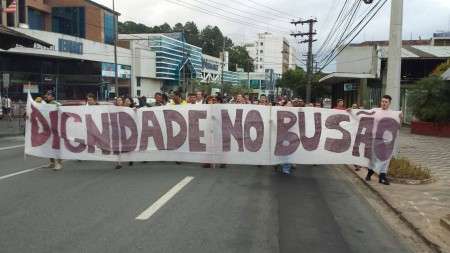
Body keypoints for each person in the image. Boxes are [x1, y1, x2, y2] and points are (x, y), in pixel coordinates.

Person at [365, 95, 402, 185]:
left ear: (389, 103)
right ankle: (370, 172)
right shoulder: (374, 111)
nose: (384, 103)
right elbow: (362, 114)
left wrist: (401, 117)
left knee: (385, 158)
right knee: (373, 157)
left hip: (386, 140)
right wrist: (351, 111)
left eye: (386, 102)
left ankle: (382, 177)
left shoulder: (393, 114)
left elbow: (399, 126)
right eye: (382, 101)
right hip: (375, 138)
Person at [41, 90, 63, 171]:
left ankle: (59, 163)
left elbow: (64, 110)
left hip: (56, 129)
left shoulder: (56, 104)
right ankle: (52, 163)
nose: (46, 96)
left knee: (56, 146)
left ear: (53, 97)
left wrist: (59, 106)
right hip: (47, 129)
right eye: (46, 94)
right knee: (48, 146)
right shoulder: (43, 105)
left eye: (49, 95)